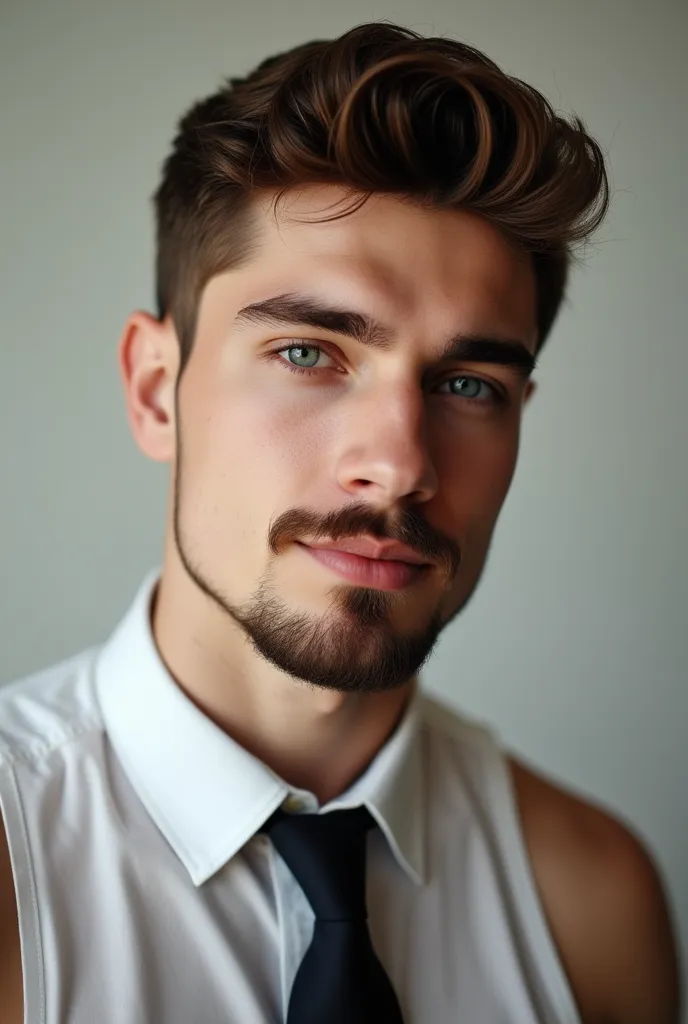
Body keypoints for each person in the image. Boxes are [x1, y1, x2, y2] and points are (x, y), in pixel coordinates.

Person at [0, 19, 681, 1024]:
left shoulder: (590, 898)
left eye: (465, 382)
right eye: (309, 354)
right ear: (155, 391)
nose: (400, 463)